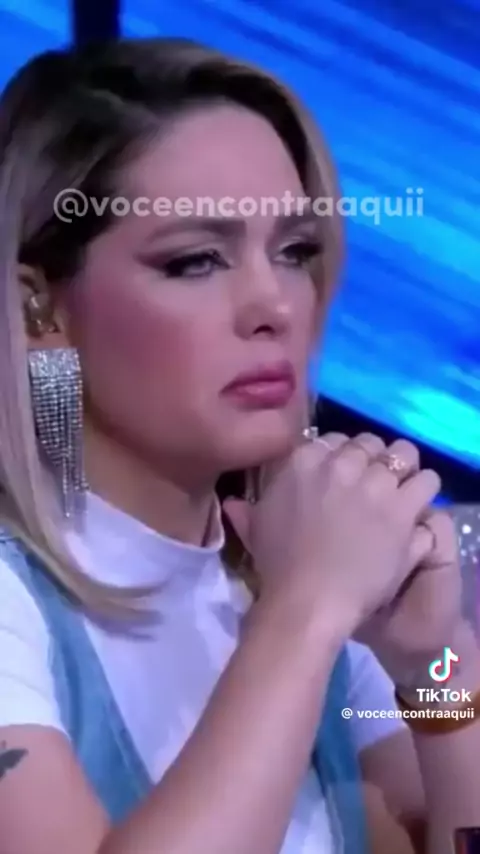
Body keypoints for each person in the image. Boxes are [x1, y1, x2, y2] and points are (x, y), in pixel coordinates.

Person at [0, 37, 478, 854]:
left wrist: (436, 664)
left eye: (294, 253)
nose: (276, 306)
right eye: (195, 261)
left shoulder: (301, 577)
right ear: (39, 308)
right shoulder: (17, 607)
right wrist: (305, 614)